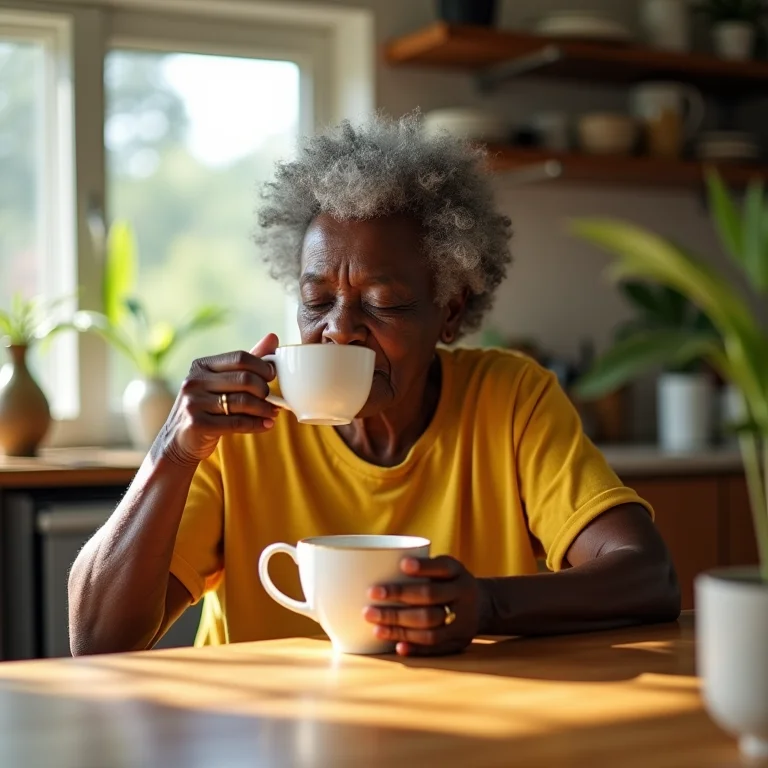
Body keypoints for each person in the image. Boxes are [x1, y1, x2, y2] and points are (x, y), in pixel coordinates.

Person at [69, 114, 680, 658]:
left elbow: (648, 577)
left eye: (382, 304)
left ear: (448, 310)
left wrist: (487, 606)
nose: (339, 330)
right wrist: (173, 449)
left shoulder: (509, 398)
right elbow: (98, 640)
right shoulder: (242, 425)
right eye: (316, 301)